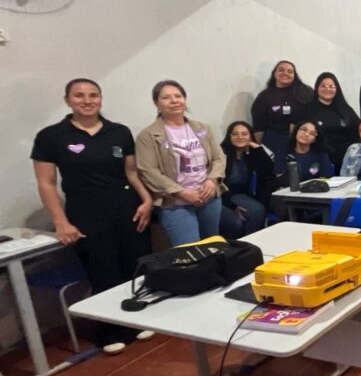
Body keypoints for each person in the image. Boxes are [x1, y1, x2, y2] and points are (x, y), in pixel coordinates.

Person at [32, 78, 154, 354]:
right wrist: (61, 222)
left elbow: (131, 173)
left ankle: (139, 319)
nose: (87, 100)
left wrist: (146, 200)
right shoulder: (52, 136)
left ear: (100, 99)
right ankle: (111, 330)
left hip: (128, 208)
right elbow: (46, 183)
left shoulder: (119, 132)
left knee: (135, 267)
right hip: (86, 213)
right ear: (67, 100)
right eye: (79, 95)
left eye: (93, 95)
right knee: (104, 271)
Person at [135, 80, 226, 246]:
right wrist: (182, 192)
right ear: (157, 103)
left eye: (178, 96)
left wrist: (212, 180)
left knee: (213, 247)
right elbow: (148, 171)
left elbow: (219, 158)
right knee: (190, 253)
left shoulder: (202, 128)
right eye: (166, 97)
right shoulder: (147, 136)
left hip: (209, 199)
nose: (174, 100)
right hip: (176, 205)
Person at [218, 121, 275, 239]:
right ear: (229, 137)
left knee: (258, 210)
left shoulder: (250, 154)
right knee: (235, 223)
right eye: (235, 134)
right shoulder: (221, 154)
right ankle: (237, 248)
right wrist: (232, 206)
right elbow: (218, 185)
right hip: (222, 196)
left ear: (250, 137)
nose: (240, 137)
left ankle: (251, 245)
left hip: (241, 195)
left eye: (244, 134)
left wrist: (258, 148)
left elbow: (268, 170)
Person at [295, 72, 359, 171]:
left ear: (336, 89)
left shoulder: (345, 109)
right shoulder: (307, 110)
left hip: (347, 158)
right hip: (320, 158)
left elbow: (358, 131)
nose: (327, 89)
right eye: (323, 86)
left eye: (331, 86)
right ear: (317, 88)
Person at [250, 60, 313, 159]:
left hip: (301, 140)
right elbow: (259, 125)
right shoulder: (265, 96)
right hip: (274, 140)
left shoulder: (305, 91)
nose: (285, 73)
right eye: (281, 70)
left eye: (289, 71)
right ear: (274, 73)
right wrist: (261, 148)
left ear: (294, 75)